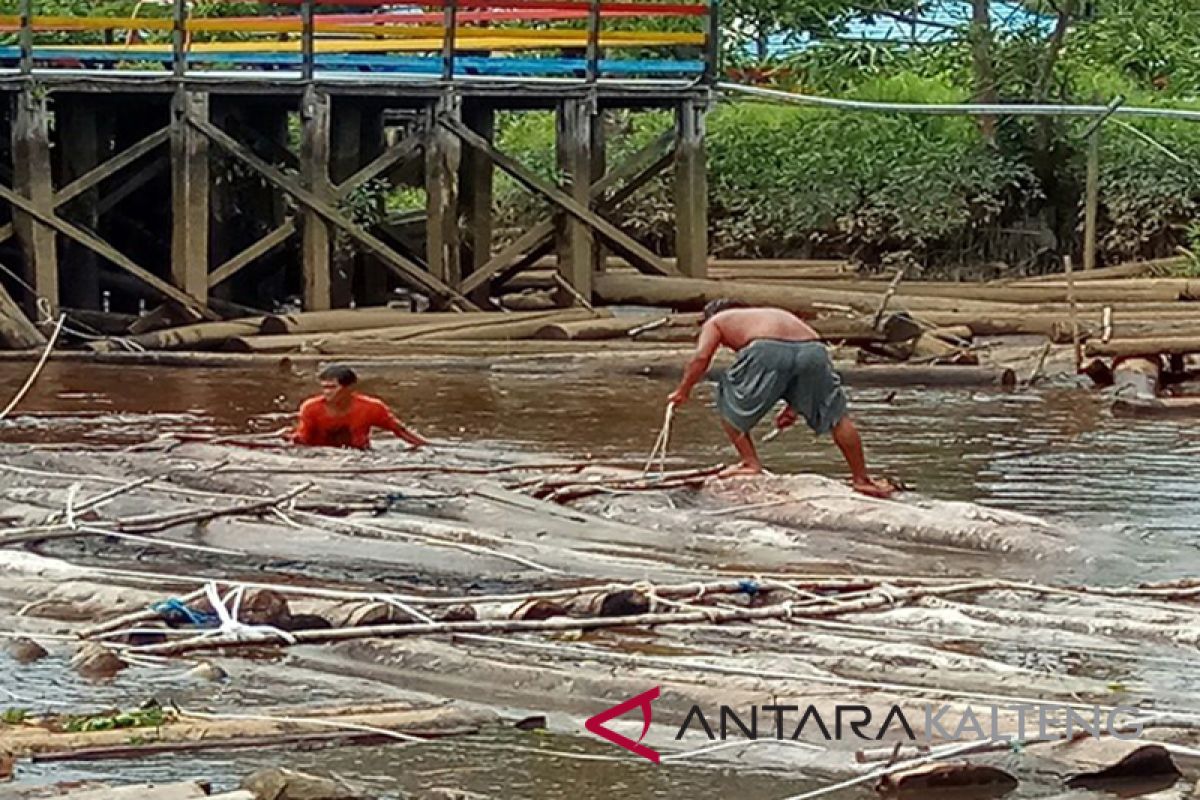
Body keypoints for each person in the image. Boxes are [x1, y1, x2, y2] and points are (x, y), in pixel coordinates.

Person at [668, 300, 896, 498]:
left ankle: (749, 462)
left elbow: (701, 358)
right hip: (813, 349)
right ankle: (861, 479)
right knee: (836, 415)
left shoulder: (716, 320)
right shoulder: (767, 314)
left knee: (727, 392)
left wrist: (683, 390)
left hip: (767, 348)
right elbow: (794, 360)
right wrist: (793, 407)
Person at [291, 364, 429, 450]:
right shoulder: (311, 408)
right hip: (321, 456)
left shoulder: (372, 407)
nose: (327, 392)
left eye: (332, 387)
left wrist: (429, 447)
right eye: (324, 387)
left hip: (360, 455)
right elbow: (304, 442)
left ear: (349, 388)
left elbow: (400, 431)